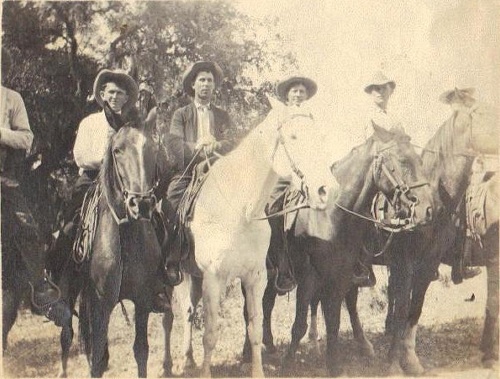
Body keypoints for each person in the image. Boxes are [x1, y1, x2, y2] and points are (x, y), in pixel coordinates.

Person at [0, 47, 65, 318]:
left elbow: (26, 139)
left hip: (5, 179)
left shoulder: (11, 99)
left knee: (28, 229)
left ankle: (40, 287)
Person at [162, 61, 234, 286]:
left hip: (218, 170)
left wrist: (216, 145)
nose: (205, 84)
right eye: (201, 80)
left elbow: (233, 142)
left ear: (214, 87)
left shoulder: (222, 115)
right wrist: (196, 146)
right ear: (193, 85)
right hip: (189, 171)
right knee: (172, 201)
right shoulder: (181, 114)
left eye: (210, 81)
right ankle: (172, 259)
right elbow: (174, 143)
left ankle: (242, 260)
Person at [265, 75, 318, 295]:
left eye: (301, 91)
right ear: (287, 94)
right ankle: (277, 264)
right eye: (294, 90)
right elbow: (268, 140)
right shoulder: (277, 114)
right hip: (282, 171)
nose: (297, 94)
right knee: (272, 210)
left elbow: (316, 145)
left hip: (307, 173)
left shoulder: (310, 117)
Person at [439, 87, 483, 283]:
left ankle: (460, 264)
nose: (457, 105)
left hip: (464, 176)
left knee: (468, 210)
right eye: (454, 102)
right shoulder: (446, 128)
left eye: (461, 102)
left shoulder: (468, 127)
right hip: (447, 178)